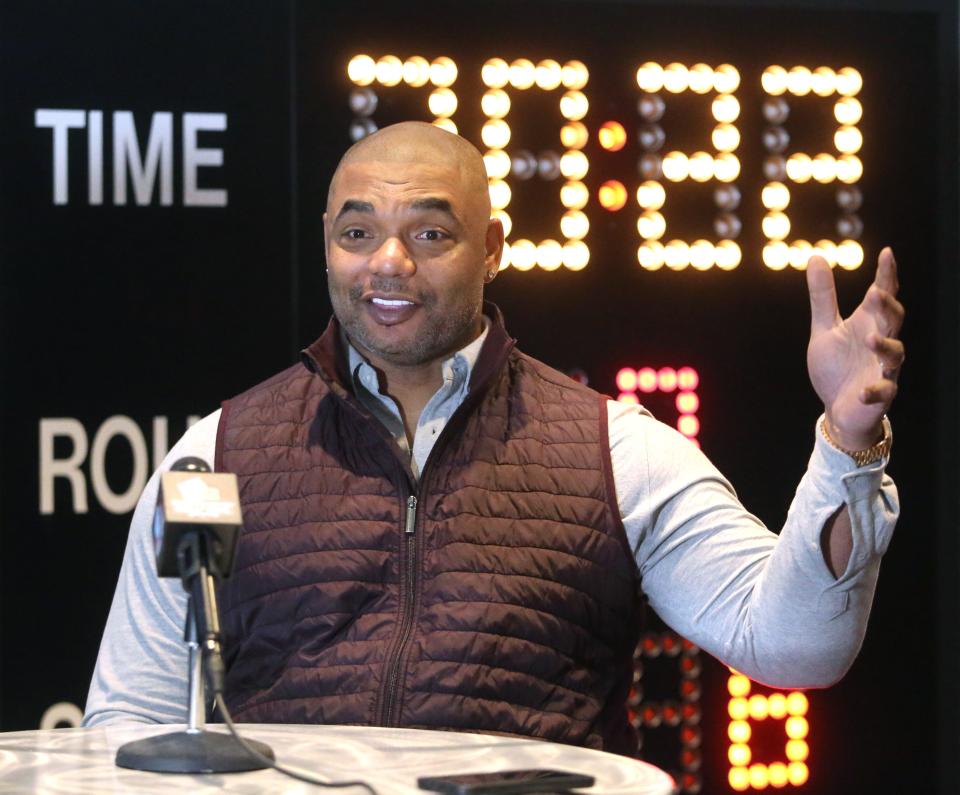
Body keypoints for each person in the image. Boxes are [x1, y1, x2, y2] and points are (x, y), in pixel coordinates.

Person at [83, 122, 902, 754]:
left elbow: (797, 647)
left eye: (431, 234)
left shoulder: (615, 451)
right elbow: (125, 724)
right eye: (357, 233)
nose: (389, 263)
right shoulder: (216, 454)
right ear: (327, 244)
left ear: (495, 248)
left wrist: (847, 441)